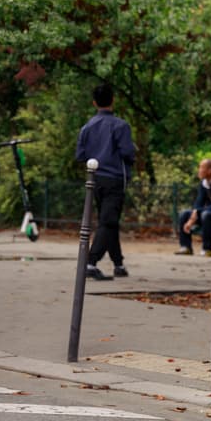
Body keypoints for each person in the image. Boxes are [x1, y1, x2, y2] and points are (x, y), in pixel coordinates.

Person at [76, 83, 136, 280]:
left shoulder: (86, 127)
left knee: (108, 221)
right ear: (113, 100)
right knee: (108, 220)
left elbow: (80, 155)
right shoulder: (120, 126)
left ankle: (118, 263)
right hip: (115, 178)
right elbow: (128, 152)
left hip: (95, 180)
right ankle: (91, 262)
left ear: (94, 103)